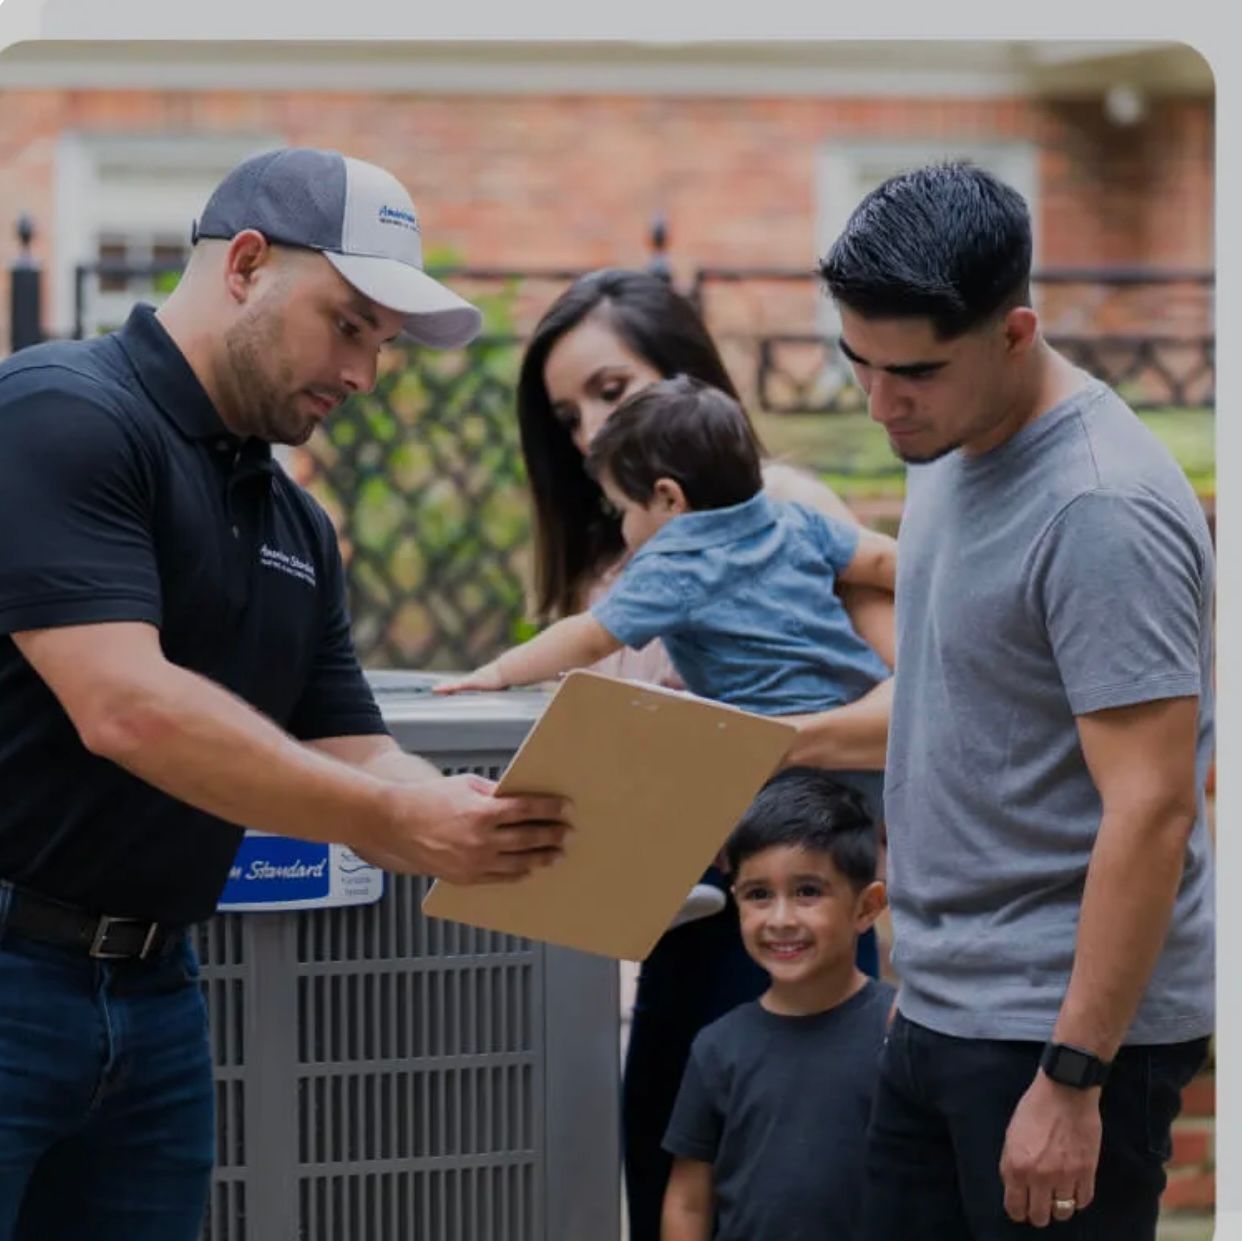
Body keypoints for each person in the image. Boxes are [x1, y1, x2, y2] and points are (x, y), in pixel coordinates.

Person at [0, 147, 571, 1241]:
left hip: (161, 987)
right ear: (248, 264)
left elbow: (352, 739)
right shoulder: (59, 412)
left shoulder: (294, 525)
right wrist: (397, 817)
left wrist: (464, 815)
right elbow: (125, 706)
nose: (365, 373)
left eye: (385, 344)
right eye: (349, 323)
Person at [818, 161, 1215, 1240]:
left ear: (1015, 330)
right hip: (948, 1001)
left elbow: (1152, 808)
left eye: (913, 372)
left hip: (1059, 1033)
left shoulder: (1099, 508)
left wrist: (1074, 1073)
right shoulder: (944, 436)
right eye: (858, 362)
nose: (881, 400)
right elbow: (967, 693)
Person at [510, 268, 896, 1241]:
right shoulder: (613, 567)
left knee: (787, 1194)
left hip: (790, 902)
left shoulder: (780, 511)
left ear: (687, 383)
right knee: (668, 1184)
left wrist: (743, 749)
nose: (591, 431)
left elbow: (922, 697)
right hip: (669, 921)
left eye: (612, 390)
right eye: (568, 413)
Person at [437, 376, 895, 809]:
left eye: (622, 509)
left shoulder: (676, 567)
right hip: (865, 742)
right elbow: (880, 560)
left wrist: (499, 670)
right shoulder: (795, 521)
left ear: (668, 499)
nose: (623, 525)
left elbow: (591, 636)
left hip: (783, 769)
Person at [661, 767, 893, 1241]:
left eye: (808, 892)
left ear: (866, 907)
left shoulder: (903, 1033)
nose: (780, 919)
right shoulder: (717, 1048)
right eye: (759, 895)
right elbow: (688, 1202)